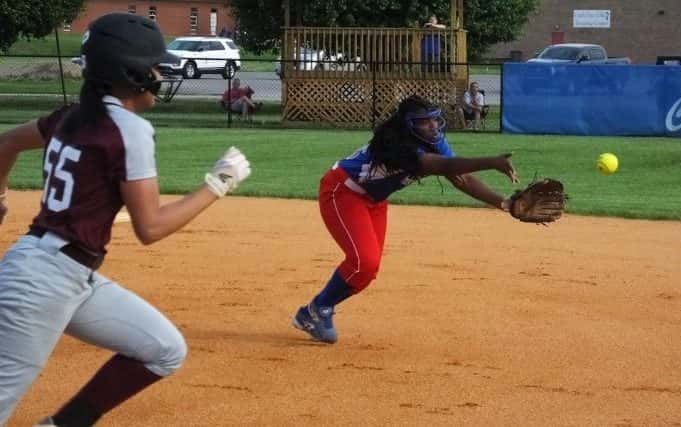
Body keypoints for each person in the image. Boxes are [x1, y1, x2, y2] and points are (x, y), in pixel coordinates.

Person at [0, 13, 251, 426]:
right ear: (129, 72)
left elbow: (6, 142)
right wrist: (217, 184)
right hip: (41, 284)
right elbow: (149, 228)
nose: (159, 72)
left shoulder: (69, 116)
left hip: (64, 273)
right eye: (153, 65)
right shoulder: (129, 129)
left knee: (164, 348)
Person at [291, 95, 519, 344]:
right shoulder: (397, 146)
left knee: (368, 269)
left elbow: (460, 177)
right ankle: (315, 310)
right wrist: (491, 162)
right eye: (424, 122)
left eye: (434, 120)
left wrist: (503, 203)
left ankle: (317, 310)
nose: (433, 126)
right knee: (363, 262)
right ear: (409, 125)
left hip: (374, 200)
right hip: (342, 192)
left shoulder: (433, 141)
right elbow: (444, 166)